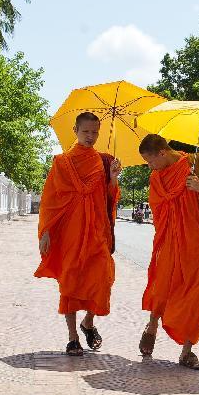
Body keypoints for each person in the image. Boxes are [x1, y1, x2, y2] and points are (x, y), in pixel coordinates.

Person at [137, 134, 199, 370]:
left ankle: (187, 351)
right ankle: (152, 325)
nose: (150, 167)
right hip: (169, 242)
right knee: (162, 286)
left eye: (150, 161)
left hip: (198, 244)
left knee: (195, 296)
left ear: (163, 153)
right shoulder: (157, 177)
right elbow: (157, 208)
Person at [35, 112, 122, 356]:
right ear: (75, 131)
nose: (91, 137)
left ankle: (88, 322)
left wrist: (113, 179)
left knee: (103, 279)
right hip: (69, 232)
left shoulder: (104, 161)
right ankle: (73, 337)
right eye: (86, 132)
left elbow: (109, 197)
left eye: (95, 132)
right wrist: (46, 232)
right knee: (71, 282)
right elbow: (50, 201)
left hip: (97, 231)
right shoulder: (62, 163)